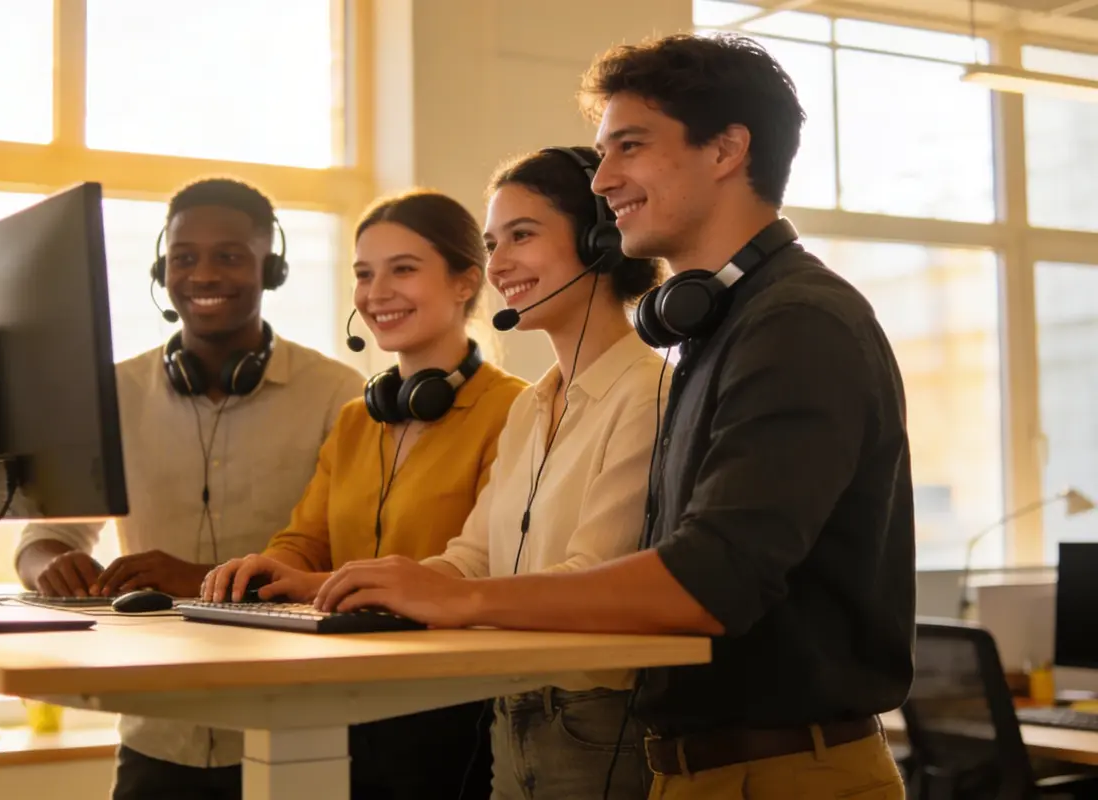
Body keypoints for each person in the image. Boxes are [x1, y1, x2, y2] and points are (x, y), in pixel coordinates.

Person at [315, 33, 915, 800]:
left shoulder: (798, 323)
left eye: (628, 147)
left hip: (781, 772)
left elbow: (710, 579)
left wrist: (463, 597)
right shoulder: (722, 327)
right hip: (701, 768)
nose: (603, 181)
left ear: (727, 149)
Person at [309, 146, 669, 799]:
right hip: (512, 714)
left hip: (593, 727)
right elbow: (473, 557)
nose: (498, 265)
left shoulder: (648, 393)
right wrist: (390, 581)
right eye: (491, 242)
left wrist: (449, 597)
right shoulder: (533, 407)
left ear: (600, 240)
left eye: (521, 236)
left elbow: (593, 577)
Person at [13, 178, 364, 800]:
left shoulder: (336, 392)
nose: (203, 274)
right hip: (157, 732)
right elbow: (48, 534)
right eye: (184, 257)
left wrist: (197, 578)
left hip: (294, 724)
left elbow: (353, 557)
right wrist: (53, 564)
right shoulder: (111, 392)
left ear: (269, 266)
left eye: (229, 255)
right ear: (162, 268)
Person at [201, 189, 528, 800]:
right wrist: (270, 569)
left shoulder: (513, 408)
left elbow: (482, 566)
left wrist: (320, 582)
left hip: (452, 712)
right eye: (363, 274)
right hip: (340, 699)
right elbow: (304, 540)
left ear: (466, 282)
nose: (376, 293)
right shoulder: (358, 419)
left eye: (403, 269)